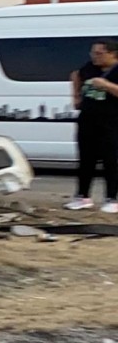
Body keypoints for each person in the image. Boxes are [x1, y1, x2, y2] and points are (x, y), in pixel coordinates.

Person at [65, 39, 118, 213]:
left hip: (111, 121)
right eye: (93, 53)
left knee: (111, 160)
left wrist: (107, 85)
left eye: (99, 53)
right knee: (86, 160)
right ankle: (82, 196)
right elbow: (76, 75)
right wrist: (76, 95)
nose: (94, 56)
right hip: (88, 119)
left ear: (112, 54)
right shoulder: (89, 68)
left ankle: (112, 198)